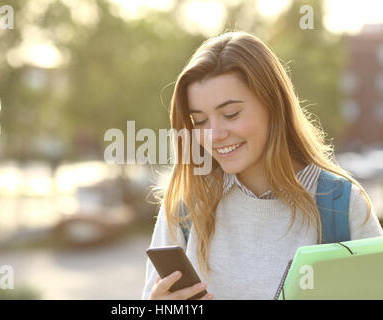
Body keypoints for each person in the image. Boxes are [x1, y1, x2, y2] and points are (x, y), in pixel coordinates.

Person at [141, 31, 383, 300]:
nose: (214, 134)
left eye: (230, 114)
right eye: (199, 121)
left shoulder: (341, 205)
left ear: (273, 105)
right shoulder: (186, 204)